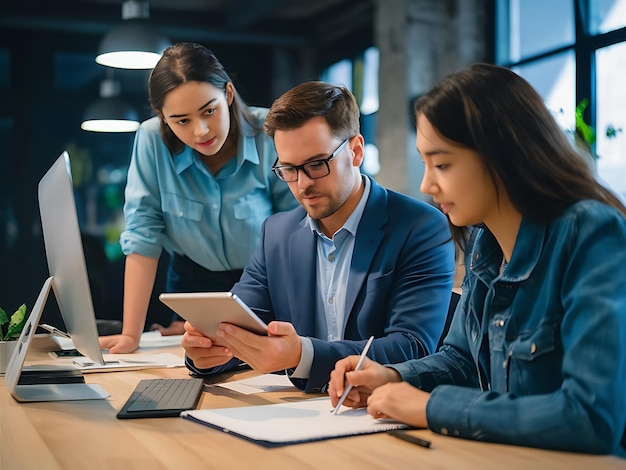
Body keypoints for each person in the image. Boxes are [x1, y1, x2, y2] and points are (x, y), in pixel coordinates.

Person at [328, 63, 626, 455]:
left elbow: (589, 417)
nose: (426, 185)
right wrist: (391, 376)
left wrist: (432, 407)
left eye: (443, 164)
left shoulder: (590, 233)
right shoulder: (486, 242)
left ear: (502, 154)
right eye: (426, 163)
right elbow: (462, 359)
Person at [182, 81, 456, 393]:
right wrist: (207, 354)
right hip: (298, 417)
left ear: (355, 151)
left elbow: (412, 348)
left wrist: (304, 355)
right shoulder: (277, 233)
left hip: (382, 410)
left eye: (316, 165)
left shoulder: (420, 226)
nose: (302, 184)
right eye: (288, 169)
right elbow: (240, 327)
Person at [99, 43, 297, 354]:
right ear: (162, 117)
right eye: (181, 120)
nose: (200, 131)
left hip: (267, 281)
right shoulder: (151, 141)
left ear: (228, 94)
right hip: (193, 285)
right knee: (197, 371)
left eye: (209, 111)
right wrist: (130, 336)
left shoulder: (271, 133)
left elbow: (299, 230)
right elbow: (143, 234)